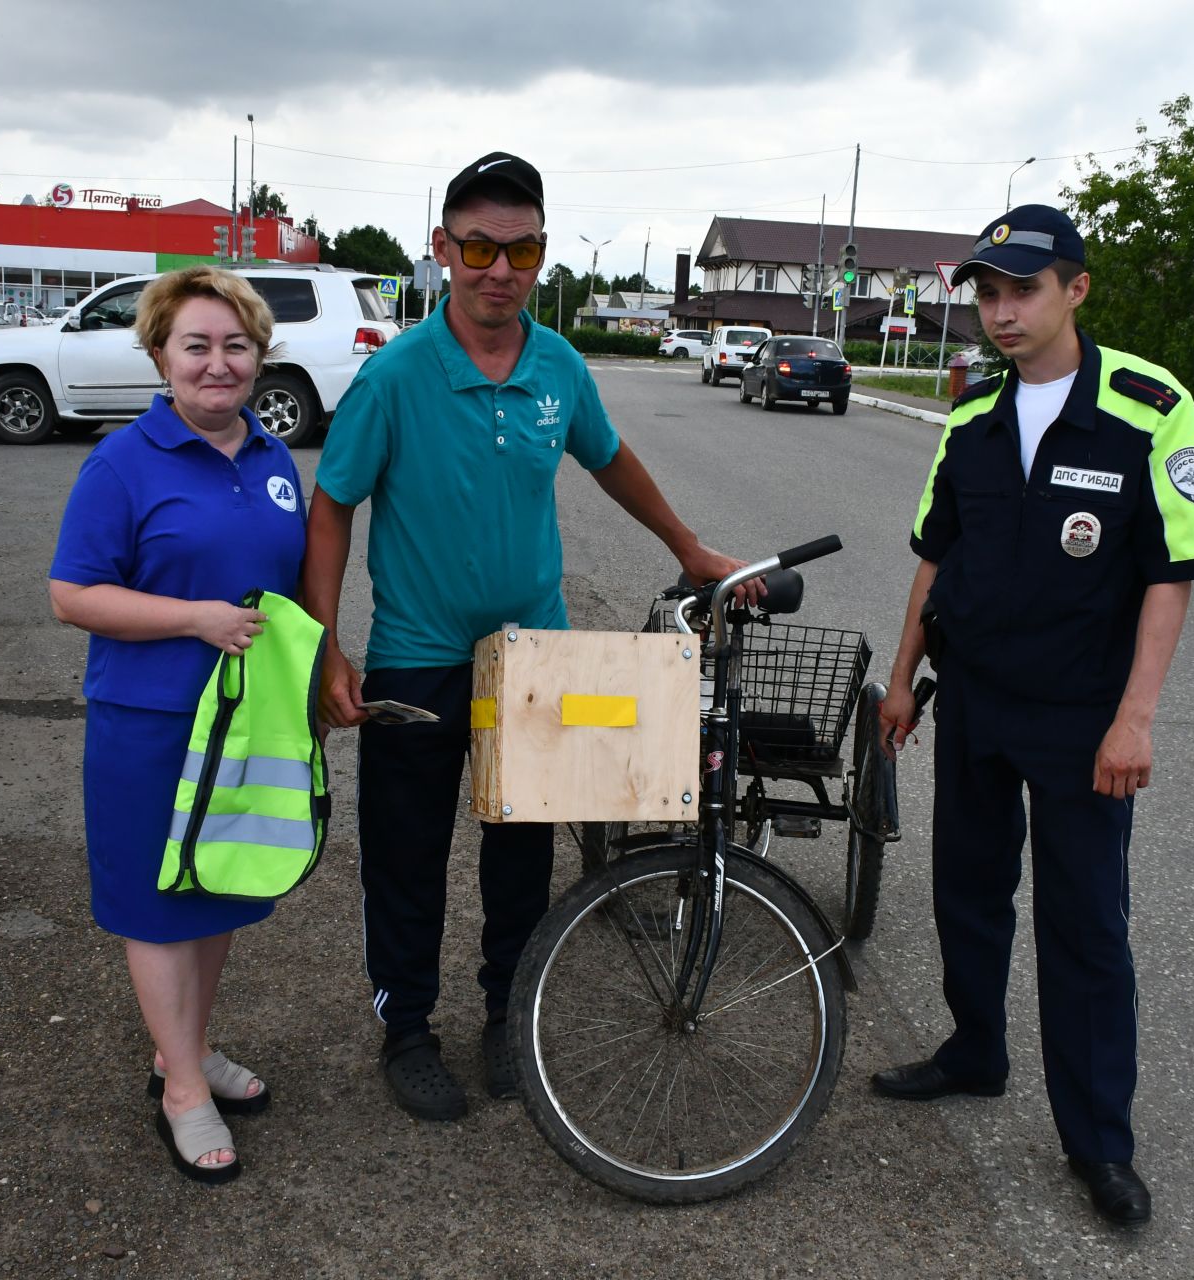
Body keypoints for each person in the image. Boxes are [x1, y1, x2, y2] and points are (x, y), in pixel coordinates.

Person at [302, 151, 751, 1122]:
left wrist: (688, 544)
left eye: (521, 248)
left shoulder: (559, 366)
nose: (498, 267)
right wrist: (327, 643)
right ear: (443, 251)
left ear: (542, 253)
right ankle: (408, 1029)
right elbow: (331, 505)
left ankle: (509, 1012)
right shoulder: (395, 376)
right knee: (407, 852)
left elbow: (610, 458)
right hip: (417, 655)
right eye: (478, 246)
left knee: (520, 852)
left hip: (532, 657)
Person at [871, 204, 1194, 1227]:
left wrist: (1138, 717)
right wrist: (902, 681)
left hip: (1083, 718)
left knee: (1084, 929)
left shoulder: (1148, 407)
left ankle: (1099, 1143)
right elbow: (933, 560)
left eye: (1022, 290)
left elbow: (1172, 574)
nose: (1001, 311)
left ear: (1076, 289)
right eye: (987, 293)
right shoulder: (971, 421)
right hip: (977, 699)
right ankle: (974, 1050)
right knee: (967, 893)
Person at [48, 266, 308, 1183]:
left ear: (258, 357)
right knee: (157, 905)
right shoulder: (121, 462)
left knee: (216, 886)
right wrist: (193, 617)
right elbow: (72, 594)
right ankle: (183, 1092)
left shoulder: (275, 463)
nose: (217, 363)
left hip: (243, 726)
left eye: (236, 345)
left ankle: (183, 1050)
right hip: (150, 724)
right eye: (196, 345)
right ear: (160, 353)